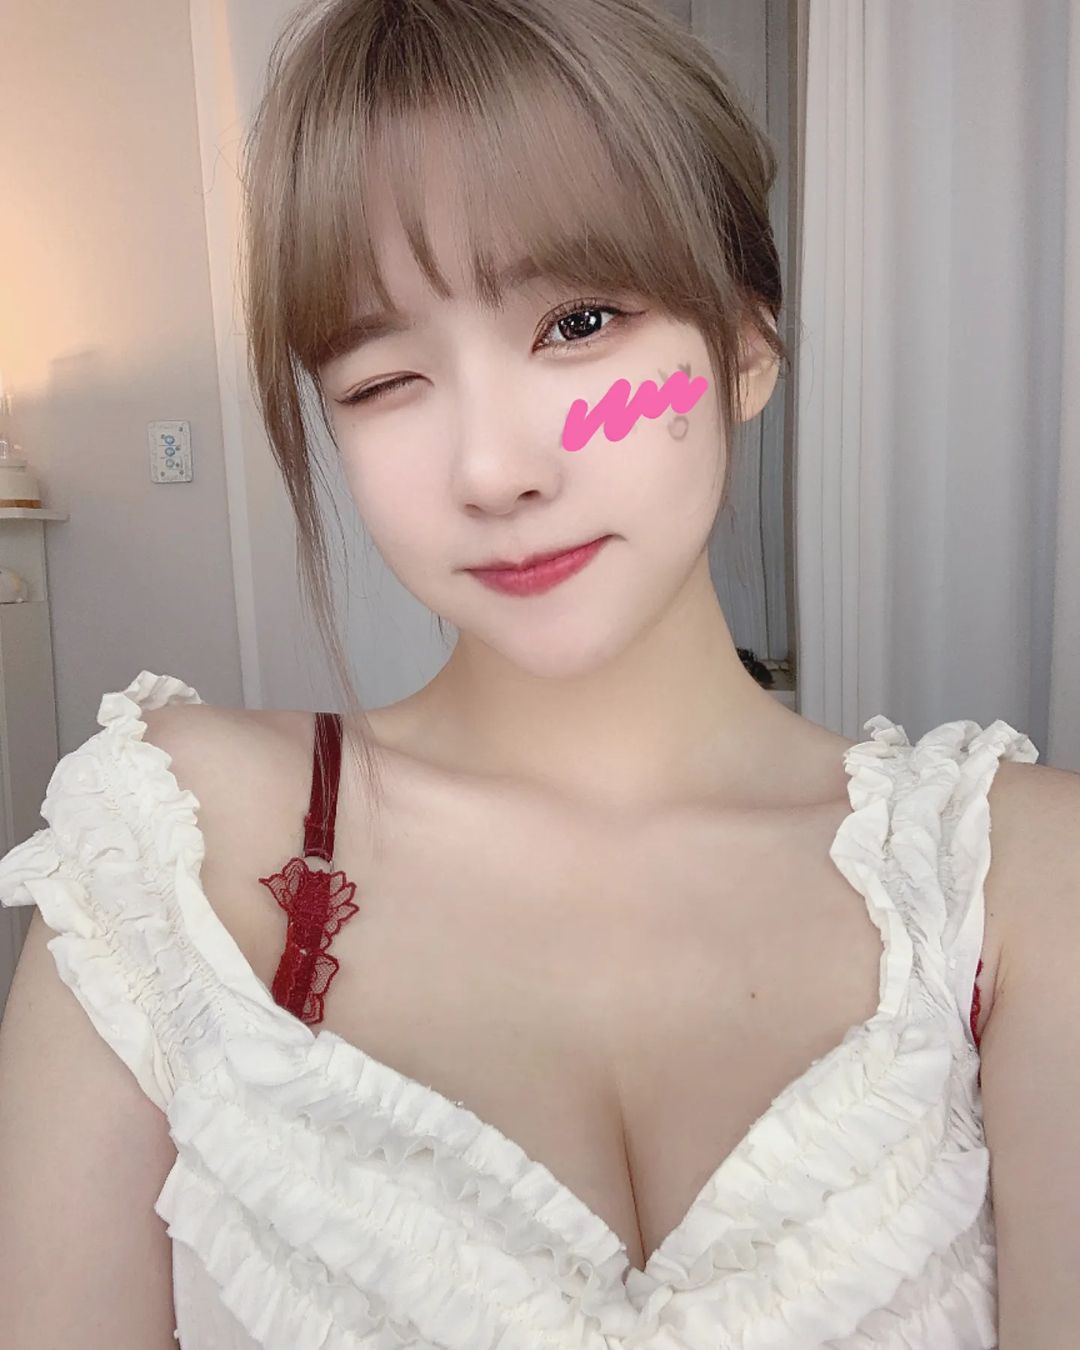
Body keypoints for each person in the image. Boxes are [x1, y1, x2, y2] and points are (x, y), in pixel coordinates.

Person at [0, 2, 1075, 1347]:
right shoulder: (166, 857)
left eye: (579, 322)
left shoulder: (1011, 884)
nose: (491, 471)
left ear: (747, 343)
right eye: (383, 381)